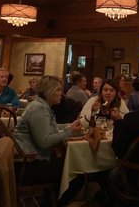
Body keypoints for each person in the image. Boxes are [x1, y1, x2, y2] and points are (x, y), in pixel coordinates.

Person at [14, 75, 83, 206]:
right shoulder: (39, 109)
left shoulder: (40, 106)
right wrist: (69, 131)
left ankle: (49, 202)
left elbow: (49, 127)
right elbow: (44, 142)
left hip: (28, 161)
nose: (61, 94)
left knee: (68, 166)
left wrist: (69, 126)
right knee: (76, 174)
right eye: (57, 90)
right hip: (27, 165)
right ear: (48, 91)